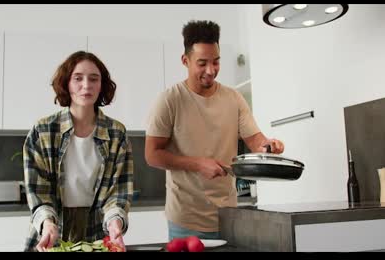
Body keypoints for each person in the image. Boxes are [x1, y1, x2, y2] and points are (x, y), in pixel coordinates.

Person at [144, 20, 284, 240]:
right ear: (185, 60)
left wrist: (268, 147)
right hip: (185, 220)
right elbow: (152, 154)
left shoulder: (233, 98)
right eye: (202, 63)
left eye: (216, 62)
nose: (211, 71)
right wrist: (198, 164)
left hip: (229, 215)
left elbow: (256, 141)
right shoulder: (170, 100)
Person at [23, 51, 134, 252]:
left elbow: (118, 192)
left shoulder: (117, 134)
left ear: (102, 85)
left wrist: (115, 223)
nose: (86, 85)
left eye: (94, 79)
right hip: (53, 228)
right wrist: (47, 223)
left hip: (99, 231)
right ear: (66, 83)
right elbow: (39, 193)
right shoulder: (43, 131)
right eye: (78, 78)